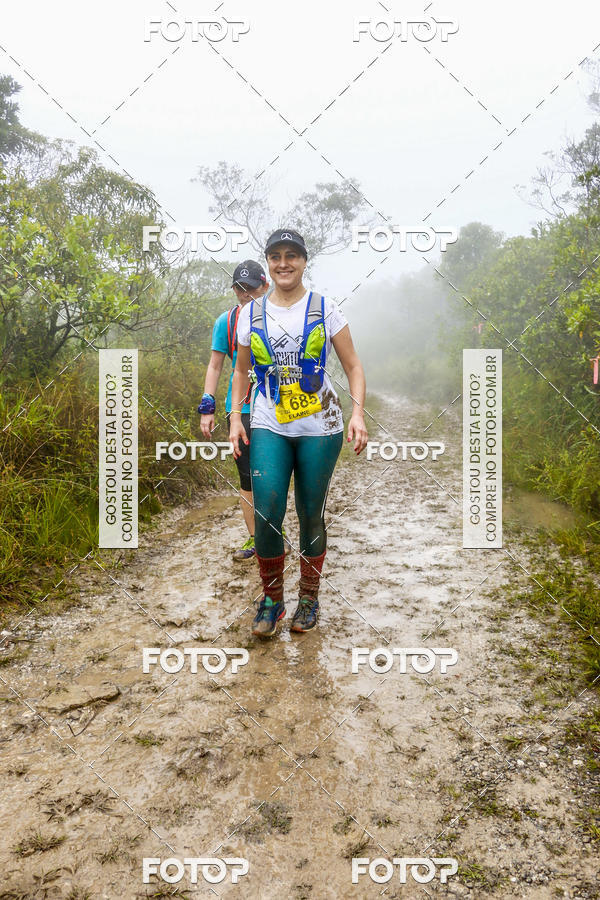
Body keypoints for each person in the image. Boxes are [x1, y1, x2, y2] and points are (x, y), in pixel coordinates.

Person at [229, 228, 368, 636]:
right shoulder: (250, 314)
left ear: (305, 262)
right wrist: (236, 418)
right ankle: (272, 601)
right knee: (268, 512)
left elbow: (354, 366)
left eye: (292, 255)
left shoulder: (325, 308)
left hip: (319, 427)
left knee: (310, 513)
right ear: (268, 264)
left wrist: (357, 414)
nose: (284, 262)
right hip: (269, 423)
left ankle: (309, 597)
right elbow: (240, 371)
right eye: (276, 256)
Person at [199, 260, 268, 561]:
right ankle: (257, 539)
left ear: (264, 286)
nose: (244, 294)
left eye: (250, 288)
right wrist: (207, 405)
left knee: (274, 474)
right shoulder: (225, 323)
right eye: (239, 289)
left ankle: (274, 532)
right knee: (248, 477)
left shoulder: (279, 317)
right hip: (240, 409)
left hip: (280, 407)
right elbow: (215, 365)